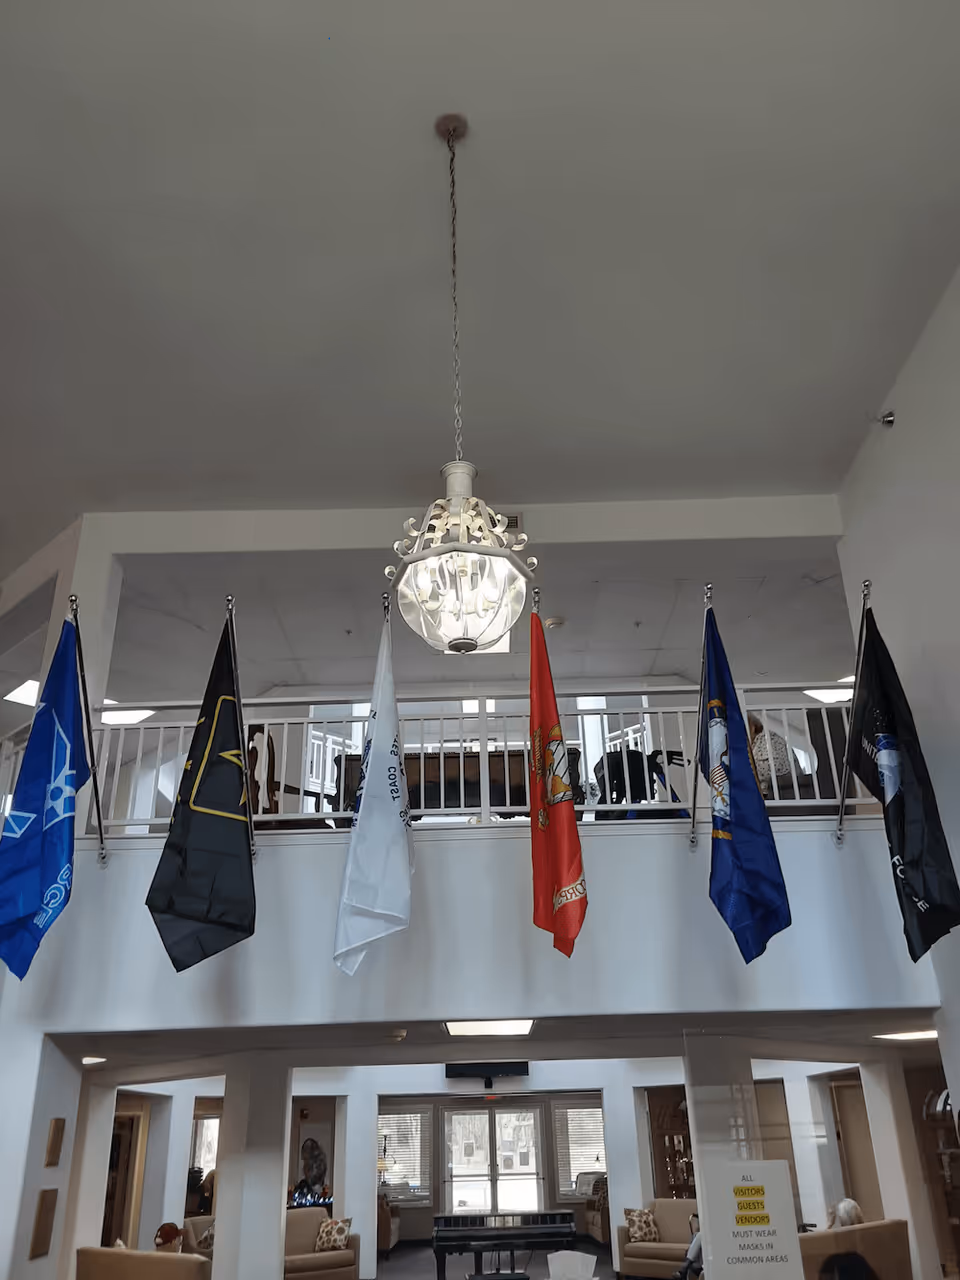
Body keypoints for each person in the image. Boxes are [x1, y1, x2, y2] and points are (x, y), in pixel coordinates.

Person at [748, 712, 795, 799]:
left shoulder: (770, 739)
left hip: (783, 793)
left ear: (753, 727)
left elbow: (769, 769)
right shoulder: (751, 745)